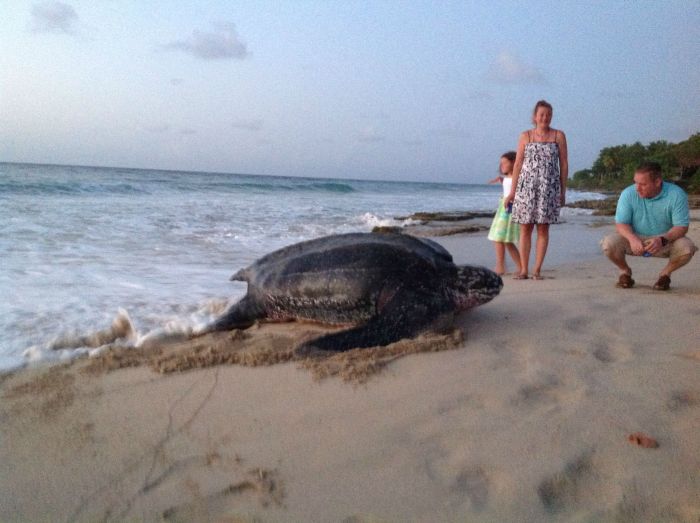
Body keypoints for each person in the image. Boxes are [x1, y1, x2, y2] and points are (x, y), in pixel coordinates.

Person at [600, 161, 697, 290]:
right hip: (635, 238)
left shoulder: (677, 194)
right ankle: (624, 271)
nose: (637, 188)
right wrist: (632, 239)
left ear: (657, 182)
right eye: (636, 182)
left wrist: (662, 239)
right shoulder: (628, 194)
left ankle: (665, 274)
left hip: (665, 240)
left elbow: (681, 227)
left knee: (687, 248)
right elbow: (621, 223)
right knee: (608, 244)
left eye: (643, 184)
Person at [504, 100, 568, 280]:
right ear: (535, 117)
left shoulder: (558, 136)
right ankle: (523, 269)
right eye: (541, 114)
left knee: (543, 230)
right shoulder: (526, 136)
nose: (545, 118)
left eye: (548, 114)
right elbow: (517, 165)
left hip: (549, 188)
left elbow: (563, 164)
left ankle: (537, 269)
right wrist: (512, 192)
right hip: (526, 188)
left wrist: (563, 191)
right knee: (525, 229)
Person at [487, 151, 521, 275]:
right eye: (501, 163)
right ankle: (521, 266)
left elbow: (518, 190)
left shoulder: (519, 177)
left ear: (514, 162)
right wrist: (501, 179)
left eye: (505, 163)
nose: (502, 165)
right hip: (503, 209)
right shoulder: (508, 177)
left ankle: (501, 267)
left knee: (498, 237)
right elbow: (508, 183)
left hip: (510, 209)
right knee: (506, 240)